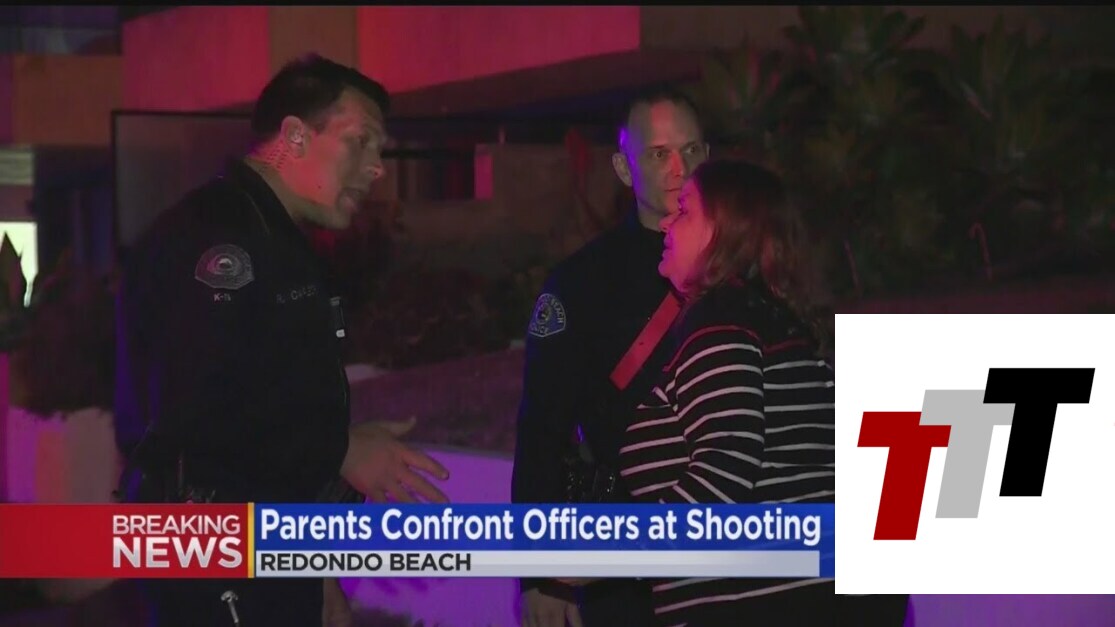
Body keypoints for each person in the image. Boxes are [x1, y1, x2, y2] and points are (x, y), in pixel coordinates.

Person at [114, 53, 450, 627]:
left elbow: (269, 399)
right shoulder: (219, 239)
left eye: (380, 149)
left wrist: (316, 569)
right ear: (295, 136)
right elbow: (193, 413)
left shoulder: (275, 240)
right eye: (360, 142)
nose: (376, 168)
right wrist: (341, 450)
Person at [609, 158, 907, 625]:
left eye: (685, 211)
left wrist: (615, 550)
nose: (666, 222)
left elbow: (725, 468)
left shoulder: (721, 319)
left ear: (727, 231)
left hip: (765, 604)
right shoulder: (778, 323)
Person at [511, 88, 709, 627]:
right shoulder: (581, 282)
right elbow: (543, 428)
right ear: (624, 169)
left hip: (727, 543)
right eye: (659, 153)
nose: (680, 168)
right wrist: (541, 571)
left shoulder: (741, 267)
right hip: (619, 551)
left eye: (692, 150)